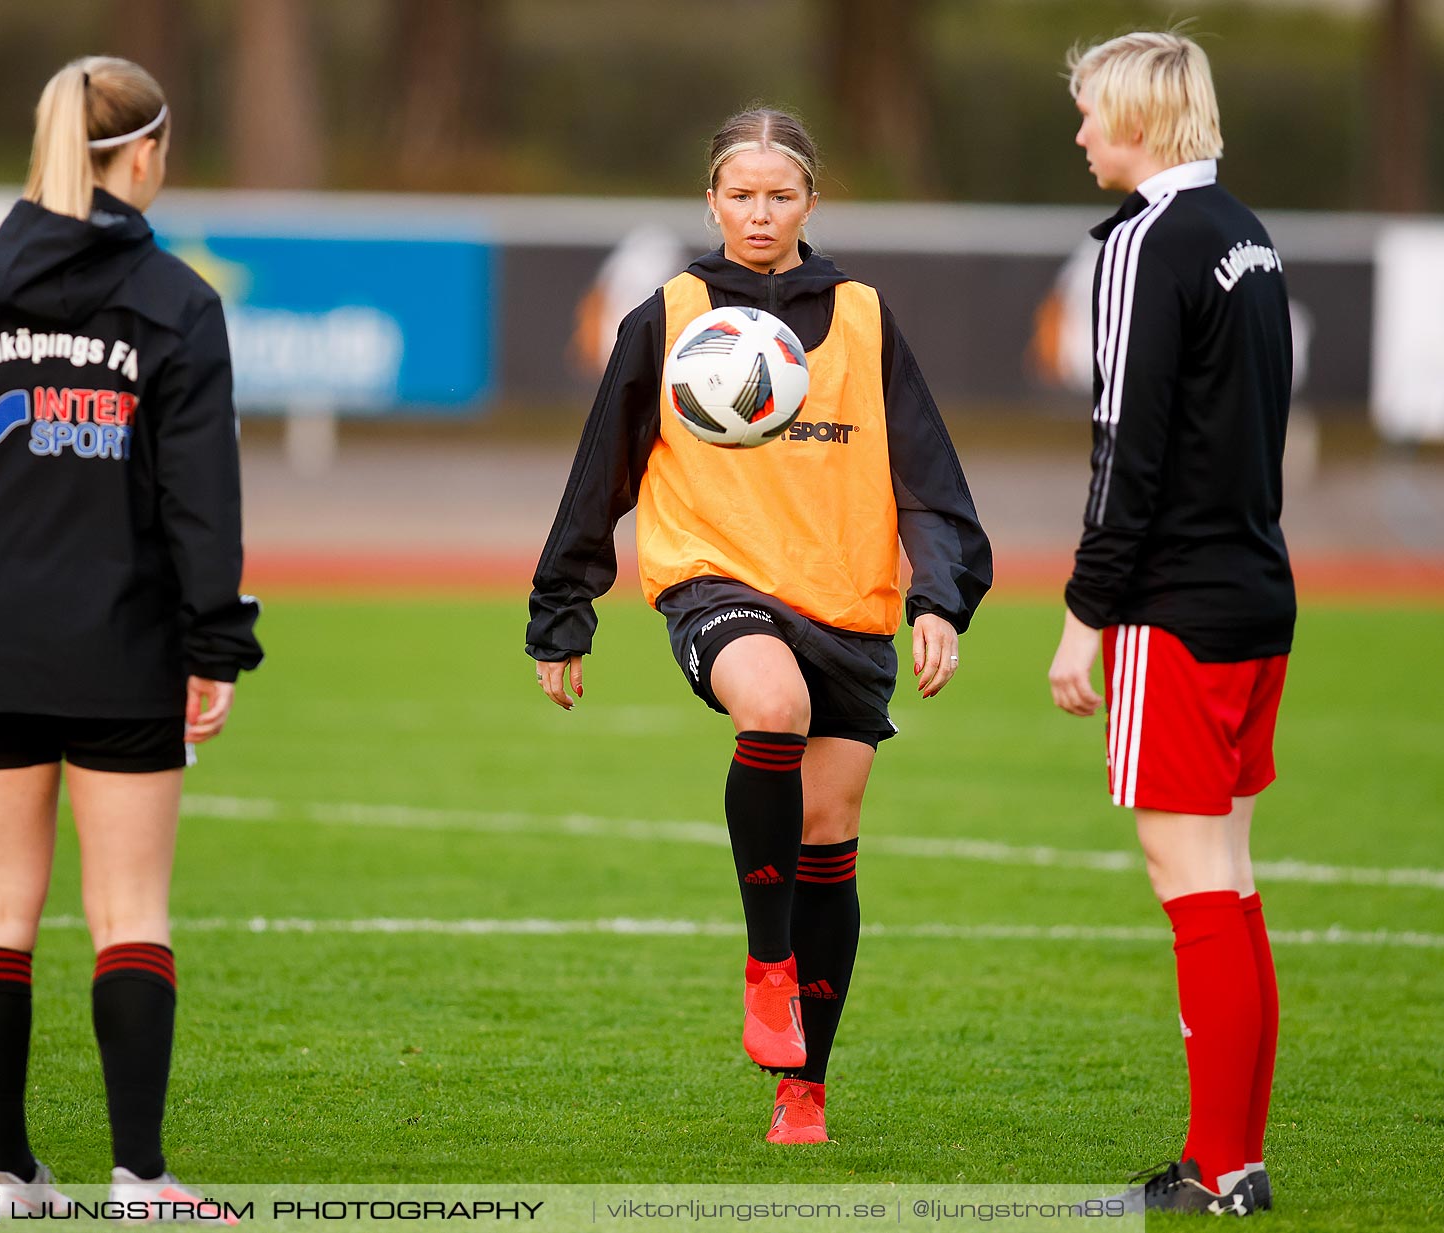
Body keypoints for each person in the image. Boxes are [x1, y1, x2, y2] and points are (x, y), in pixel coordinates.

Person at [527, 108, 992, 1146]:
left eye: (780, 195)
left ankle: (804, 1087)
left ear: (811, 206)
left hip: (846, 604)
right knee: (769, 704)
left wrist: (940, 600)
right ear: (711, 202)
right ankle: (765, 963)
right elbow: (602, 463)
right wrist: (564, 610)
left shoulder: (867, 319)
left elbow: (929, 478)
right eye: (740, 194)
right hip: (715, 580)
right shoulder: (673, 313)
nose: (759, 213)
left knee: (830, 833)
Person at [0, 56, 261, 1217]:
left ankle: (9, 1180)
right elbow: (202, 506)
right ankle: (140, 1180)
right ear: (144, 155)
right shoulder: (179, 302)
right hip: (123, 645)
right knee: (129, 911)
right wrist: (213, 647)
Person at [1046, 32, 1293, 1217]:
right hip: (1257, 593)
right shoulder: (1247, 233)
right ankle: (1237, 1164)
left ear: (1138, 118)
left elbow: (1123, 448)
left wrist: (1084, 616)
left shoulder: (1149, 242)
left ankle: (1213, 1170)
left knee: (1190, 879)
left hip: (1177, 610)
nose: (1083, 133)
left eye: (1093, 113)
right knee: (1233, 880)